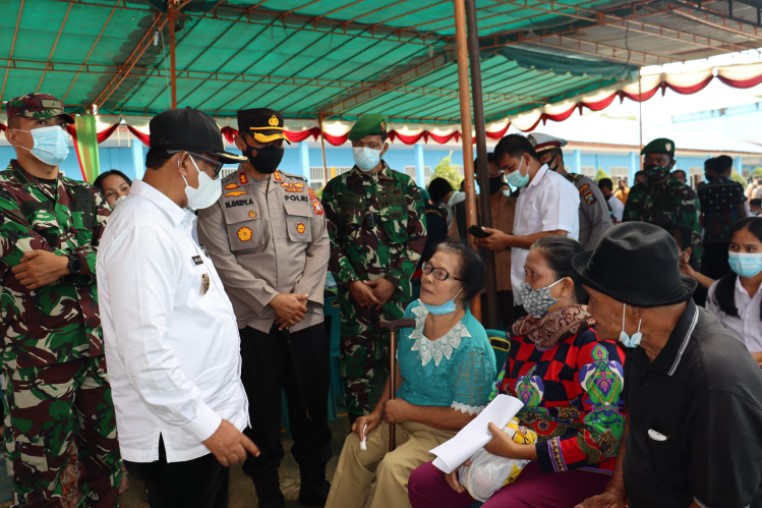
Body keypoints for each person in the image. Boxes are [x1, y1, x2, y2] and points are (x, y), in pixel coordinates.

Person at [97, 107, 257, 506]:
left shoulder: (168, 221)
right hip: (180, 434)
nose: (217, 179)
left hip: (197, 427)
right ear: (183, 161)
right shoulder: (143, 231)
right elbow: (145, 353)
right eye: (214, 167)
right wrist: (208, 426)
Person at [408, 236, 626, 507]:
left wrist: (519, 451)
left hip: (574, 467)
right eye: (525, 273)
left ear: (564, 287)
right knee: (424, 481)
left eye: (533, 275)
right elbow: (496, 399)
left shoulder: (594, 345)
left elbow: (603, 438)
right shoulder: (527, 335)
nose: (525, 283)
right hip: (510, 451)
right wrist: (465, 449)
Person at [197, 108, 332, 508]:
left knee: (311, 412)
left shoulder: (301, 188)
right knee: (261, 416)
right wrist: (272, 300)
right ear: (240, 142)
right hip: (253, 326)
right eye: (262, 142)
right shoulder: (218, 196)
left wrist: (299, 299)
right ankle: (268, 494)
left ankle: (314, 488)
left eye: (277, 143)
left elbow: (320, 244)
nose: (272, 149)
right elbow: (220, 260)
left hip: (305, 320)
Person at [573, 222, 762, 508]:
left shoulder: (716, 379)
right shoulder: (640, 341)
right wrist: (615, 491)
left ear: (632, 307)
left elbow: (717, 502)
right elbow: (635, 423)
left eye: (594, 298)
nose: (588, 310)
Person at [0, 93, 122, 506]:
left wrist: (67, 263)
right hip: (36, 360)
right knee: (41, 474)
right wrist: (89, 261)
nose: (58, 134)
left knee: (107, 464)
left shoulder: (84, 193)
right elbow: (30, 262)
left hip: (99, 352)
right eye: (42, 125)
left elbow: (121, 257)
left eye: (61, 124)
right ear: (13, 134)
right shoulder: (4, 193)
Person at [325, 240, 496, 508]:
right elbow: (399, 368)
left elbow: (466, 417)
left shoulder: (471, 346)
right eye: (428, 268)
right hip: (400, 413)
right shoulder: (414, 311)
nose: (427, 277)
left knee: (393, 467)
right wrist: (378, 412)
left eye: (441, 274)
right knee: (357, 444)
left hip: (443, 431)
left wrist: (407, 412)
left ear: (463, 288)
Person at [322, 114, 427, 421]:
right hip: (354, 302)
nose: (364, 150)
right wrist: (352, 281)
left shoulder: (405, 186)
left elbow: (418, 237)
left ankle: (403, 429)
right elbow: (327, 241)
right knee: (357, 375)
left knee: (403, 365)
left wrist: (392, 280)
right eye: (358, 145)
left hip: (396, 300)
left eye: (371, 145)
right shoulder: (336, 189)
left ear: (384, 146)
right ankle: (360, 436)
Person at [475, 133, 579, 317]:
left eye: (509, 168)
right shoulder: (526, 191)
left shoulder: (554, 186)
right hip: (527, 290)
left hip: (550, 290)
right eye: (504, 171)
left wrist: (507, 240)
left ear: (526, 158)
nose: (507, 175)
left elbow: (557, 237)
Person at [449, 153, 517, 327]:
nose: (491, 180)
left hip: (514, 286)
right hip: (480, 288)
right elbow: (453, 245)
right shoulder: (465, 209)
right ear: (476, 178)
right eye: (486, 176)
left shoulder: (517, 204)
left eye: (495, 176)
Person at [623, 138, 703, 270]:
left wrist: (693, 271)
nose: (653, 164)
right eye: (649, 160)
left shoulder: (682, 192)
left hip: (670, 264)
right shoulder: (637, 191)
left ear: (671, 164)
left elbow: (693, 236)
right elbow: (626, 227)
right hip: (637, 261)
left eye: (660, 160)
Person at [530, 133, 611, 250]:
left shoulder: (580, 185)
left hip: (578, 260)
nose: (539, 167)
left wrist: (585, 258)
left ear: (557, 159)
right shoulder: (537, 190)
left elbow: (602, 223)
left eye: (542, 160)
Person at [706, 217, 762, 368]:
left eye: (750, 249)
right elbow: (711, 337)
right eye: (735, 247)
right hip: (731, 372)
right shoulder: (718, 290)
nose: (740, 254)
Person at [698, 154, 748, 280]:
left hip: (711, 238)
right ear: (729, 169)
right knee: (733, 274)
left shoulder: (703, 189)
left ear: (713, 169)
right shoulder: (736, 187)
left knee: (713, 273)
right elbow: (742, 211)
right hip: (733, 237)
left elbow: (702, 218)